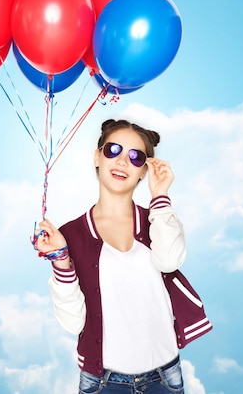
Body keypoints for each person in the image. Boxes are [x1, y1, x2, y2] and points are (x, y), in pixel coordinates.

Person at [34, 118, 208, 393]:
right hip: (103, 383)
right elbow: (73, 323)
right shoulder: (70, 235)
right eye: (113, 150)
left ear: (144, 171)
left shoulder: (158, 219)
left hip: (165, 378)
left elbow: (170, 261)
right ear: (97, 157)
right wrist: (61, 260)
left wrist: (160, 194)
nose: (123, 161)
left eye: (136, 157)